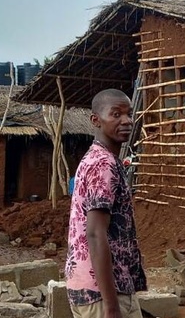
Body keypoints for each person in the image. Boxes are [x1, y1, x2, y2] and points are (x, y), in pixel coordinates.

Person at [65, 89, 147, 318]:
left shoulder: (99, 159)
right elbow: (95, 234)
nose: (127, 120)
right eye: (116, 114)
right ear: (96, 120)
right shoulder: (103, 165)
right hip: (104, 293)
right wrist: (112, 307)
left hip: (96, 288)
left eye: (129, 114)